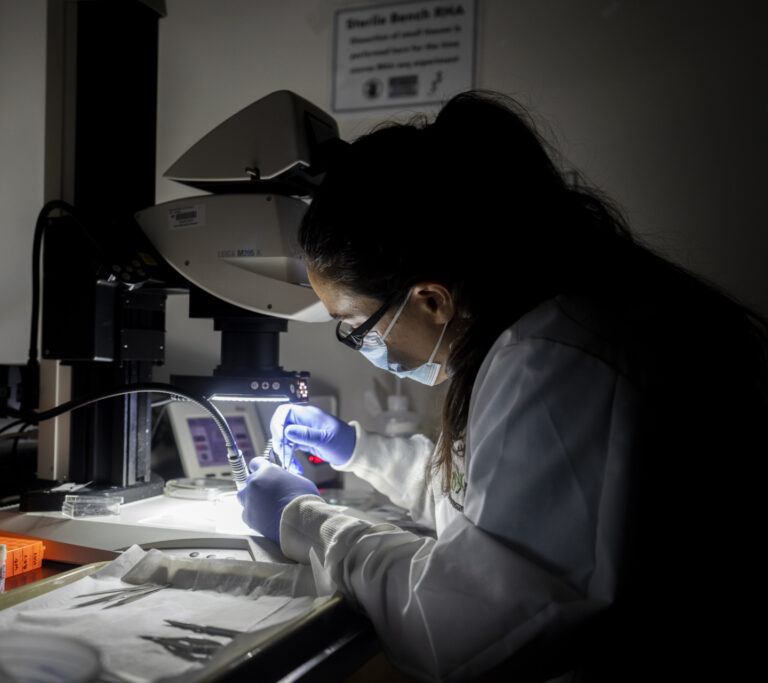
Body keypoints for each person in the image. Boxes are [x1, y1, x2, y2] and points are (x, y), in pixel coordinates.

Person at [236, 91, 768, 681]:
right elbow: (486, 507)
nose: (363, 348)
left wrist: (304, 519)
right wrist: (357, 449)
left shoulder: (554, 362)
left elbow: (464, 625)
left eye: (353, 328)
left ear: (431, 299)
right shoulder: (543, 332)